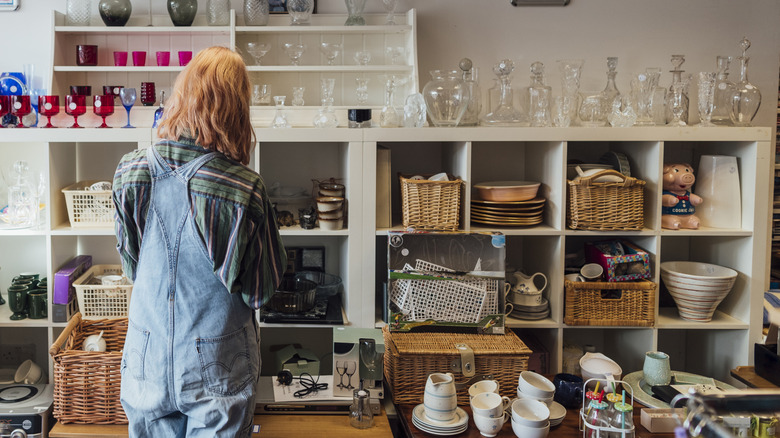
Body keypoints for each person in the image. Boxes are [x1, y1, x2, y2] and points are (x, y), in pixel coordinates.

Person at [113, 46, 286, 437]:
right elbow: (260, 292)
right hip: (218, 361)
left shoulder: (129, 171)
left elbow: (133, 268)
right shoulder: (244, 188)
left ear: (182, 94)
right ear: (237, 108)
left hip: (146, 357)